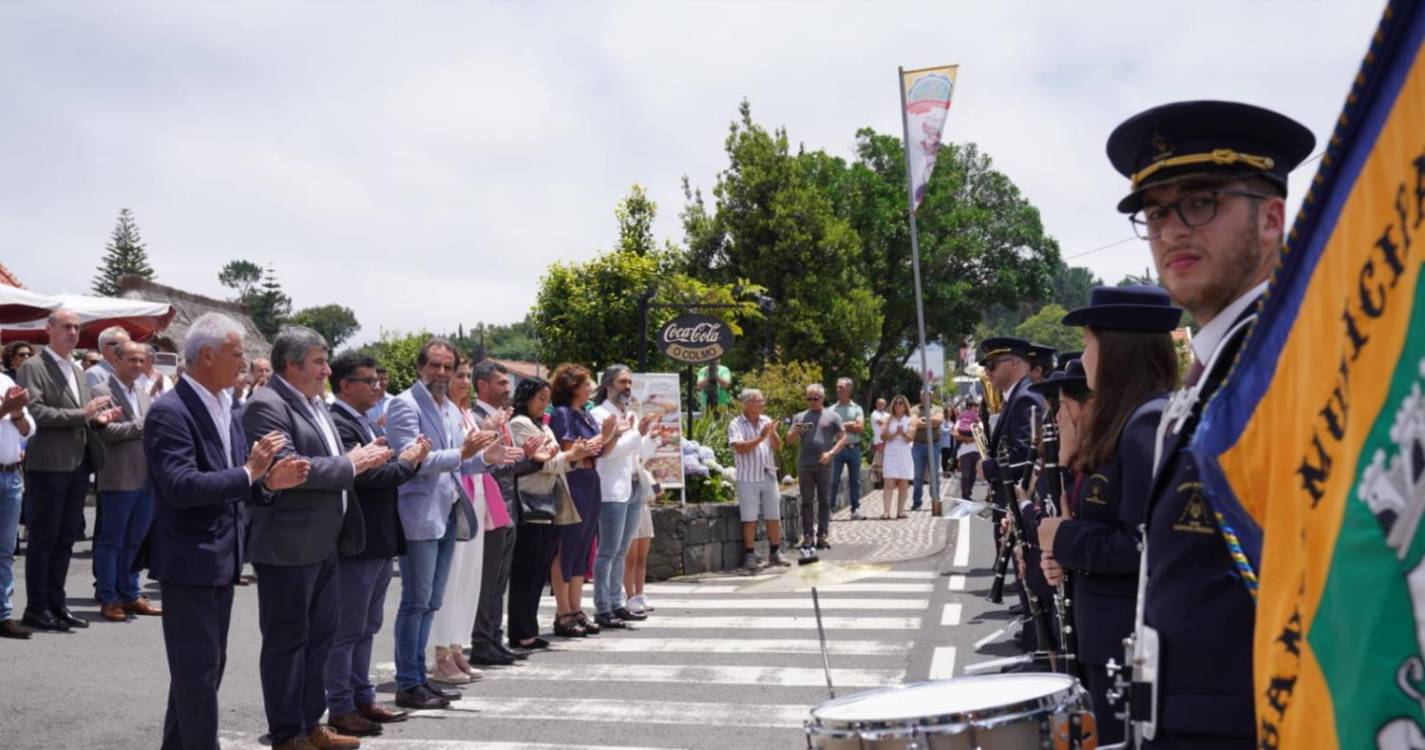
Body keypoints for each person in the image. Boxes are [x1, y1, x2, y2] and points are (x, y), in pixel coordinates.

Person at [1099, 99, 1314, 747]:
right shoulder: (1215, 366)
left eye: (1199, 201)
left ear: (1271, 217)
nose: (1170, 229)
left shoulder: (1291, 364)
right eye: (1156, 211)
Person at [144, 312, 309, 750]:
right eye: (237, 354)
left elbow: (241, 482)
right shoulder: (169, 411)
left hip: (221, 557)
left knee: (202, 671)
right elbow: (180, 486)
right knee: (197, 674)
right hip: (191, 558)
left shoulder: (226, 406)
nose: (245, 361)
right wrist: (250, 473)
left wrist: (268, 483)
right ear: (208, 356)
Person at [1036, 287, 1181, 743]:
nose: (1084, 356)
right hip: (1107, 639)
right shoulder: (1128, 422)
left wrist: (1063, 537)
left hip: (1128, 642)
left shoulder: (1146, 424)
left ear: (1117, 350)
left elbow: (1143, 547)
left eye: (1088, 343)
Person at [241, 326, 395, 750]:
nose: (327, 370)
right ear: (290, 365)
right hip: (289, 544)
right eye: (318, 362)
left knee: (321, 638)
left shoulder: (313, 403)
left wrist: (356, 459)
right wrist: (353, 463)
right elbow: (290, 465)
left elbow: (325, 459)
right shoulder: (265, 405)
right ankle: (287, 732)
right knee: (287, 643)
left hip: (325, 541)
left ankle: (311, 724)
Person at [384, 338, 501, 711]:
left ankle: (420, 679)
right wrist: (462, 454)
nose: (442, 373)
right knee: (416, 601)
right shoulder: (404, 404)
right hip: (419, 512)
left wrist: (488, 458)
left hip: (448, 510)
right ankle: (408, 681)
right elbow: (411, 460)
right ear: (421, 367)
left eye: (447, 367)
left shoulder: (449, 407)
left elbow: (462, 462)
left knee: (432, 601)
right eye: (435, 366)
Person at [324, 352, 428, 737]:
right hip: (358, 538)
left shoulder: (362, 421)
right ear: (346, 385)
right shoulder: (339, 422)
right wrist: (408, 461)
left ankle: (361, 696)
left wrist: (398, 461)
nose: (378, 385)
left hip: (378, 536)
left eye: (378, 379)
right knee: (348, 626)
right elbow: (368, 475)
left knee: (367, 624)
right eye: (369, 380)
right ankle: (340, 704)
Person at [16, 308, 123, 632]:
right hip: (48, 464)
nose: (73, 332)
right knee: (44, 539)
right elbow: (34, 411)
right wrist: (82, 413)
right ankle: (36, 607)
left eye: (77, 327)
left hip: (77, 463)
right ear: (49, 329)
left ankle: (56, 604)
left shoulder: (76, 369)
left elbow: (84, 414)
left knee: (65, 540)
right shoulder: (34, 367)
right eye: (66, 326)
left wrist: (98, 419)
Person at [468, 360, 551, 666]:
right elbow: (481, 464)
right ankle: (481, 641)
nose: (508, 389)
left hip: (507, 506)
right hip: (488, 508)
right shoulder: (477, 419)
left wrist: (531, 459)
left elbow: (507, 466)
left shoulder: (501, 420)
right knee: (488, 580)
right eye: (502, 384)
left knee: (499, 580)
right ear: (483, 386)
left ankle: (493, 637)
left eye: (508, 384)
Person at [507, 376, 597, 649]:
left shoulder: (538, 425)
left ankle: (528, 628)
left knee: (537, 568)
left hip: (546, 500)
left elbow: (554, 460)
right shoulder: (519, 424)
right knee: (526, 568)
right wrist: (571, 456)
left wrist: (567, 458)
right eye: (540, 399)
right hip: (531, 500)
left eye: (546, 400)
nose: (544, 405)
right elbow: (540, 462)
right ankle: (520, 630)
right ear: (525, 398)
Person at [428, 362, 497, 684]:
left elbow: (474, 460)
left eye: (468, 377)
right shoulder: (442, 414)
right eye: (460, 376)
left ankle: (457, 647)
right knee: (449, 581)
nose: (465, 382)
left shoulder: (465, 414)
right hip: (451, 502)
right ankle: (441, 652)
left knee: (468, 579)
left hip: (474, 499)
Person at [90, 340, 162, 622]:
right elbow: (106, 431)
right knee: (112, 539)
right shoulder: (101, 391)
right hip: (118, 474)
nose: (137, 365)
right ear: (116, 360)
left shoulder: (144, 394)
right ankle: (109, 597)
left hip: (145, 474)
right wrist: (143, 424)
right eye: (131, 359)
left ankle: (130, 593)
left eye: (141, 360)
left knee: (135, 539)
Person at [589, 364, 657, 629]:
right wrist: (636, 435)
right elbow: (607, 452)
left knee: (622, 551)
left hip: (632, 485)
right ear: (608, 385)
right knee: (608, 551)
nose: (627, 388)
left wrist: (649, 436)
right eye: (622, 382)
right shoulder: (599, 414)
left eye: (629, 383)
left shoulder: (629, 414)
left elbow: (638, 453)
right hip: (610, 489)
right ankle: (603, 607)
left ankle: (617, 602)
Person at [548, 363, 612, 638]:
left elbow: (601, 451)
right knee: (567, 546)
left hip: (590, 479)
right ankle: (562, 611)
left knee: (584, 546)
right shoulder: (563, 414)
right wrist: (597, 441)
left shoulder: (585, 415)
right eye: (585, 383)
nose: (589, 388)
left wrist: (609, 435)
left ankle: (576, 607)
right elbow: (568, 451)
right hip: (573, 481)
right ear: (572, 386)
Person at [727, 388, 788, 569]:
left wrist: (773, 434)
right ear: (747, 404)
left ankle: (775, 552)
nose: (763, 404)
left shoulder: (766, 421)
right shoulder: (736, 424)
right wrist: (761, 437)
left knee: (773, 515)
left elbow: (777, 447)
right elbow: (740, 448)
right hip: (747, 476)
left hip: (768, 473)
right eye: (759, 401)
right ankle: (749, 554)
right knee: (749, 517)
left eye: (763, 400)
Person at [786, 383, 845, 550]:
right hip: (805, 464)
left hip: (824, 464)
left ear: (822, 398)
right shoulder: (799, 417)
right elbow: (788, 440)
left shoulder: (832, 416)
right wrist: (795, 431)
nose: (812, 401)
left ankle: (823, 535)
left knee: (825, 501)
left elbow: (843, 438)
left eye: (815, 398)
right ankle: (807, 536)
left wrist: (831, 453)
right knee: (806, 502)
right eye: (809, 398)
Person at [0, 355, 35, 639]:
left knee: (5, 550)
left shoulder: (6, 381)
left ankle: (3, 613)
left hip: (10, 475)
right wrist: (6, 408)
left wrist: (17, 413)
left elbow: (26, 429)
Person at [829, 377, 865, 520]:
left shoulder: (857, 408)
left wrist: (841, 426)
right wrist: (850, 425)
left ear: (849, 389)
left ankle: (855, 509)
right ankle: (830, 509)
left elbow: (860, 428)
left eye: (841, 387)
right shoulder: (831, 409)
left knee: (855, 480)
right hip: (837, 448)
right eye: (837, 387)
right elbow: (830, 429)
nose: (838, 390)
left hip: (853, 448)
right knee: (833, 480)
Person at [880, 395, 914, 520]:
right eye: (896, 403)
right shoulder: (887, 419)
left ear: (905, 406)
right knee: (889, 482)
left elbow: (911, 437)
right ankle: (886, 511)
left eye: (901, 403)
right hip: (891, 452)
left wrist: (903, 433)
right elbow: (883, 436)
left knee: (903, 483)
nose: (898, 405)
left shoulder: (910, 420)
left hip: (904, 452)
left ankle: (900, 511)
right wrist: (895, 433)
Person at [908, 402, 943, 511]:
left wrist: (923, 421)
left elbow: (939, 421)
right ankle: (917, 502)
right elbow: (914, 422)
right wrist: (931, 422)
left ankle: (935, 500)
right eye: (923, 393)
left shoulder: (937, 408)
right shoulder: (914, 409)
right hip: (918, 444)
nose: (926, 395)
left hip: (934, 444)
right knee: (918, 475)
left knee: (934, 475)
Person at [952, 401, 981, 501]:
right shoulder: (961, 419)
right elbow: (955, 434)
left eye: (976, 407)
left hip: (976, 451)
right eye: (974, 407)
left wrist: (970, 439)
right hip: (964, 451)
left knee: (973, 475)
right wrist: (966, 439)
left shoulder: (979, 419)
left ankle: (968, 492)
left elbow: (981, 435)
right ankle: (965, 495)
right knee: (966, 474)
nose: (976, 409)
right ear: (969, 407)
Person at [868, 397, 888, 491]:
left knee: (885, 463)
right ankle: (878, 483)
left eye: (883, 404)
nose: (882, 406)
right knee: (878, 463)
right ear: (876, 405)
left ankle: (884, 482)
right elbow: (882, 423)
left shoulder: (886, 414)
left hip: (886, 441)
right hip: (878, 441)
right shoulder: (874, 414)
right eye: (880, 404)